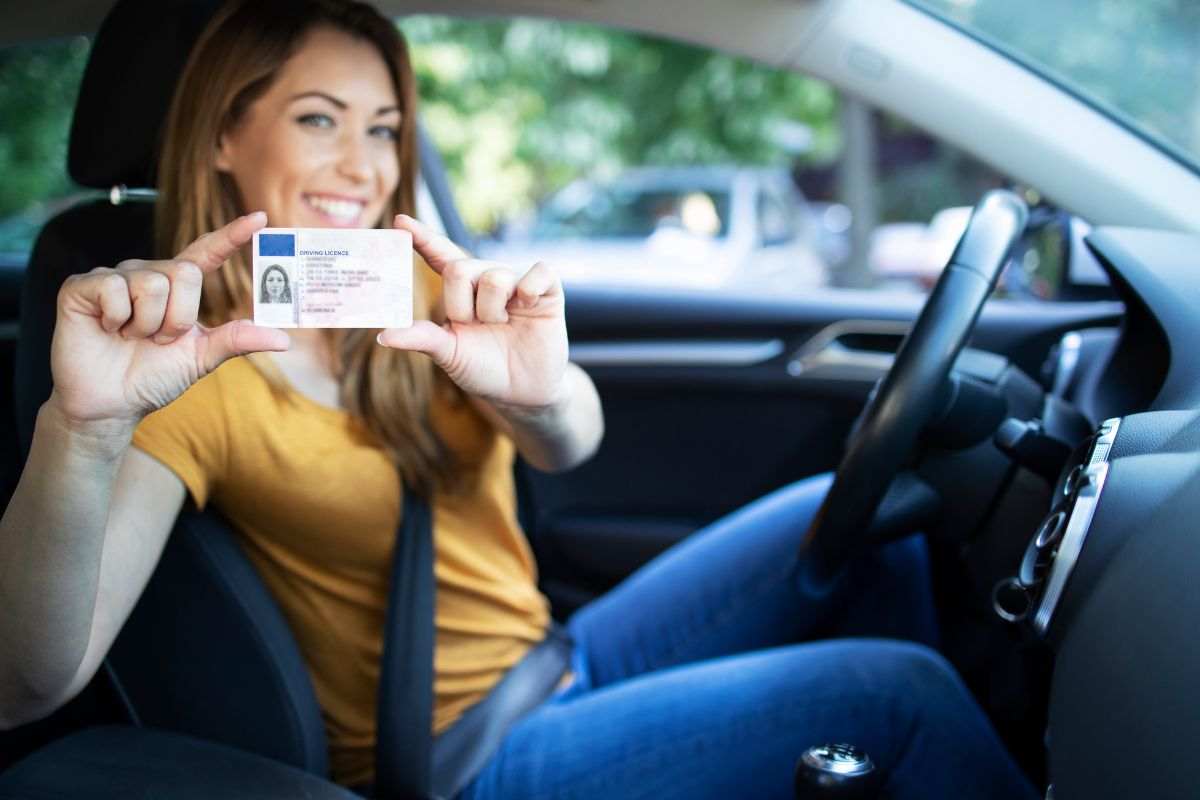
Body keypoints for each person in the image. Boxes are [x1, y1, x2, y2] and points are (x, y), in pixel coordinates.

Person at [0, 1, 1038, 797]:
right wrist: (80, 431)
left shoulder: (401, 277)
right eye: (319, 120)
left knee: (865, 520)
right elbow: (34, 681)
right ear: (223, 138)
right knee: (902, 695)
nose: (362, 166)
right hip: (461, 748)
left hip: (553, 653)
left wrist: (543, 395)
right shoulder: (184, 369)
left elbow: (568, 445)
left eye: (384, 128)